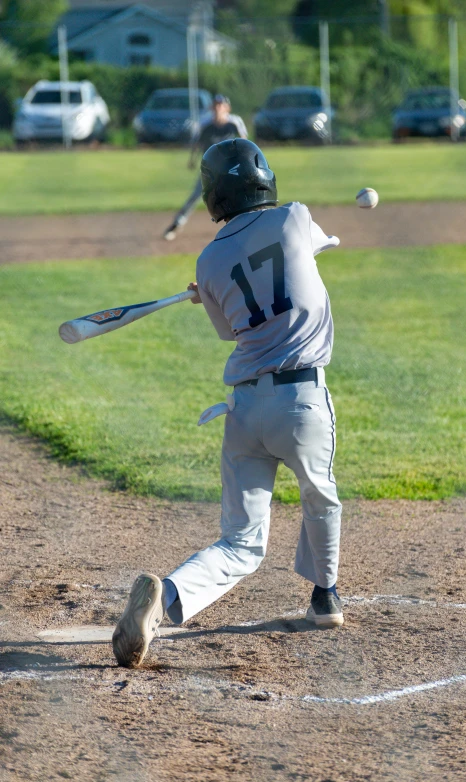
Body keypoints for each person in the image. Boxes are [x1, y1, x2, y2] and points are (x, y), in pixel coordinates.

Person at [113, 139, 343, 669]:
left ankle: (167, 595)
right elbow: (306, 252)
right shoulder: (294, 217)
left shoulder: (210, 258)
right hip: (302, 401)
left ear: (214, 194)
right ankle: (325, 596)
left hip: (244, 412)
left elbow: (229, 329)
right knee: (319, 496)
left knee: (240, 542)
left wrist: (206, 290)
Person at [163, 94, 248, 241]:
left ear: (227, 108)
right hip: (210, 168)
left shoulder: (234, 123)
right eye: (216, 105)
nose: (218, 108)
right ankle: (177, 223)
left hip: (231, 169)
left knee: (241, 195)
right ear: (211, 107)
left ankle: (246, 226)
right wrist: (192, 160)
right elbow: (197, 144)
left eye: (221, 105)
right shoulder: (206, 124)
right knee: (197, 194)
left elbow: (245, 144)